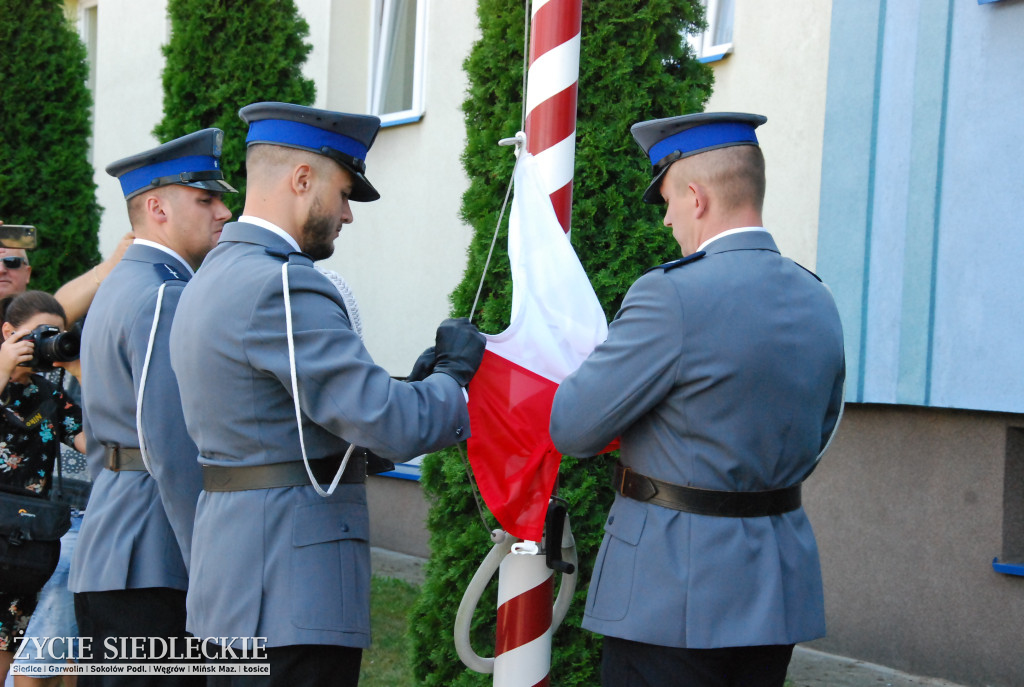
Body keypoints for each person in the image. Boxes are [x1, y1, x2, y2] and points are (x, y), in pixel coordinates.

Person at [169, 102, 485, 686]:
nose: (347, 213)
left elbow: (291, 430)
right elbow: (391, 425)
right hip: (289, 589)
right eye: (343, 193)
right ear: (302, 179)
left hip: (235, 582)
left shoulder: (214, 275)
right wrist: (453, 380)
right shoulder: (283, 283)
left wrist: (411, 388)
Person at [549, 112, 847, 687]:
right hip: (776, 588)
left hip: (670, 589)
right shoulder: (818, 298)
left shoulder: (670, 295)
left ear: (697, 196)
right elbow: (820, 430)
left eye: (667, 201)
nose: (666, 219)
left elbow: (572, 428)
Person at [68, 129, 235, 685]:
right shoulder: (166, 293)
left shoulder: (124, 283)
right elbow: (173, 442)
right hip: (155, 555)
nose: (224, 210)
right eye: (205, 198)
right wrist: (210, 562)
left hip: (115, 541)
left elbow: (103, 434)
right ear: (158, 207)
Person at [0, 291, 86, 683]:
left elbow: (98, 443)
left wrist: (82, 370)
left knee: (6, 654)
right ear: (8, 333)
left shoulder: (50, 395)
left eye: (55, 334)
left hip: (20, 549)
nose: (44, 343)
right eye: (38, 335)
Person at [0, 220, 134, 324]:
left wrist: (113, 263)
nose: (1, 270)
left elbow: (61, 309)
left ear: (27, 273)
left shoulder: (40, 316)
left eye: (12, 262)